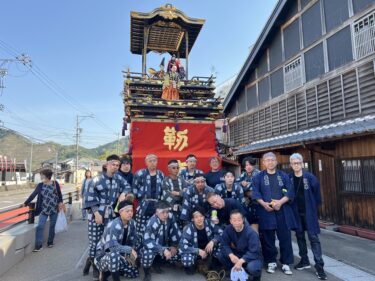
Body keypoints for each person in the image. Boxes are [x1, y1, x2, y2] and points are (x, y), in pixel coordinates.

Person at [84, 154, 132, 281]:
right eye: (113, 164)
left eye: (117, 165)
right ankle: (94, 265)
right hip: (97, 213)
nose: (115, 167)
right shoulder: (96, 180)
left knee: (108, 241)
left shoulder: (119, 179)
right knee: (95, 241)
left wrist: (123, 193)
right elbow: (89, 197)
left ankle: (104, 266)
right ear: (106, 165)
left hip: (111, 214)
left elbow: (128, 186)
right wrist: (96, 213)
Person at [252, 152, 298, 276]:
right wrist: (264, 204)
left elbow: (290, 191)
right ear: (264, 162)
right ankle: (271, 261)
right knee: (267, 238)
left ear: (276, 162)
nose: (270, 162)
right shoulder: (258, 177)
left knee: (285, 238)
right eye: (267, 160)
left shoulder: (283, 176)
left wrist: (280, 202)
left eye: (272, 160)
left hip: (282, 211)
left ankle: (286, 263)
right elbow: (255, 193)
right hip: (266, 212)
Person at [289, 153, 327, 280]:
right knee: (299, 237)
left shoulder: (310, 177)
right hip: (296, 213)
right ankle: (304, 260)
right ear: (291, 165)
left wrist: (312, 209)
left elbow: (317, 196)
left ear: (302, 163)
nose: (296, 165)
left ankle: (319, 265)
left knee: (313, 238)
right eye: (294, 163)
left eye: (298, 163)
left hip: (309, 213)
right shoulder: (289, 178)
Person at [94, 200, 139, 281]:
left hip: (120, 253)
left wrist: (130, 254)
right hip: (104, 256)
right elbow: (112, 248)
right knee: (114, 256)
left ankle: (111, 271)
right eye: (127, 211)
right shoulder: (114, 225)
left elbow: (132, 241)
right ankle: (105, 273)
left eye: (131, 211)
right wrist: (129, 250)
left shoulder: (132, 223)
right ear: (120, 212)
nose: (130, 213)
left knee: (134, 272)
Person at [23, 168, 64, 252]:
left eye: (43, 176)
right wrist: (26, 203)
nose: (41, 178)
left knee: (52, 226)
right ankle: (38, 245)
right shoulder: (40, 185)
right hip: (43, 209)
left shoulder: (55, 183)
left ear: (48, 177)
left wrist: (60, 202)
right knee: (40, 226)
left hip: (54, 209)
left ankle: (50, 242)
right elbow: (33, 195)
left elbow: (59, 195)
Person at [140, 201, 181, 281]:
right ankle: (147, 273)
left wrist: (174, 246)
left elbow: (175, 231)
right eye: (163, 212)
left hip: (165, 245)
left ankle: (159, 263)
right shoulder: (152, 222)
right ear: (156, 212)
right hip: (151, 247)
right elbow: (147, 241)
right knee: (147, 254)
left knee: (181, 251)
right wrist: (162, 250)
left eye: (167, 212)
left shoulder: (170, 217)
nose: (165, 215)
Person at [218, 210, 262, 281]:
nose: (237, 223)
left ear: (243, 220)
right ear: (230, 221)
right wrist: (231, 255)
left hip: (251, 256)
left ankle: (256, 276)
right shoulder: (228, 229)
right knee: (220, 255)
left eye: (239, 220)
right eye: (234, 220)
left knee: (253, 268)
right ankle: (235, 270)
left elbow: (254, 251)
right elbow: (224, 244)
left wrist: (241, 261)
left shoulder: (251, 232)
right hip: (237, 253)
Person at [179, 206, 222, 275]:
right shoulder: (189, 228)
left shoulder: (208, 222)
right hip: (195, 252)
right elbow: (182, 245)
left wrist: (213, 241)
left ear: (204, 216)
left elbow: (221, 233)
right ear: (192, 219)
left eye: (201, 216)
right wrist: (197, 251)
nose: (199, 219)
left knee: (222, 246)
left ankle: (214, 265)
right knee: (187, 260)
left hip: (209, 250)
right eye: (196, 217)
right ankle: (193, 265)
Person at [133, 154, 165, 244]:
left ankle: (155, 250)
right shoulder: (140, 173)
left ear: (157, 162)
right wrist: (141, 197)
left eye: (154, 160)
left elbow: (163, 190)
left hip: (157, 205)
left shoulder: (161, 174)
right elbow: (134, 188)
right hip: (144, 204)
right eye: (150, 161)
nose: (152, 163)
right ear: (146, 163)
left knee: (156, 227)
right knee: (140, 228)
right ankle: (139, 250)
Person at [161, 159, 187, 227]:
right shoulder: (165, 181)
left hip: (182, 208)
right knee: (170, 226)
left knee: (183, 226)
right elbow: (166, 195)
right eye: (173, 168)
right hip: (170, 208)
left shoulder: (182, 179)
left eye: (177, 168)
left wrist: (176, 193)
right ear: (169, 169)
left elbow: (186, 192)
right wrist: (180, 194)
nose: (176, 169)